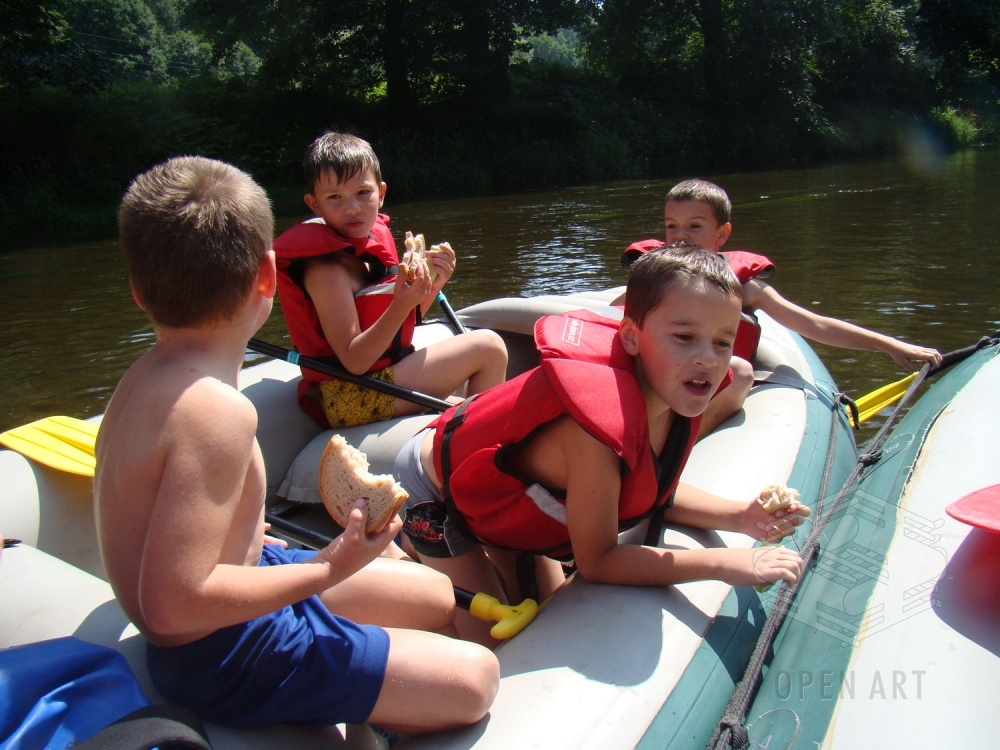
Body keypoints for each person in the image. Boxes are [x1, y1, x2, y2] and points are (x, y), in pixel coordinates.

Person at [94, 156, 499, 734]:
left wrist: (254, 537)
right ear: (268, 276)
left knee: (436, 594)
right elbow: (169, 608)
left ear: (138, 291)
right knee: (477, 679)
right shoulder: (216, 412)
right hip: (227, 653)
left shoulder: (141, 380)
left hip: (244, 588)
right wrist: (331, 565)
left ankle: (366, 717)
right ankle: (368, 708)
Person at [394, 246, 810, 645]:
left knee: (546, 610)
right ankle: (401, 561)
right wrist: (724, 563)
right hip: (434, 490)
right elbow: (599, 560)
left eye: (723, 342)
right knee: (494, 647)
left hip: (512, 489)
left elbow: (650, 489)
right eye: (685, 337)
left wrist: (741, 517)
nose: (708, 358)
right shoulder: (592, 432)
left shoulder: (668, 395)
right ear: (630, 338)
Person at [622, 178, 943, 436]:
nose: (680, 237)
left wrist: (890, 345)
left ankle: (680, 446)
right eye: (671, 226)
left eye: (694, 226)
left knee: (742, 373)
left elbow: (814, 324)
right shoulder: (656, 281)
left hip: (702, 384)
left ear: (722, 234)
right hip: (662, 381)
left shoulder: (746, 289)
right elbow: (619, 319)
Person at [273, 131, 508, 428]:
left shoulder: (367, 251)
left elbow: (398, 325)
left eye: (363, 192)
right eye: (334, 197)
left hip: (379, 380)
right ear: (314, 204)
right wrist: (401, 305)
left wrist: (433, 284)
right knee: (489, 347)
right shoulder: (327, 272)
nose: (352, 208)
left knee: (475, 405)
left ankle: (479, 439)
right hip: (348, 395)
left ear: (381, 193)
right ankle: (478, 443)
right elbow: (355, 361)